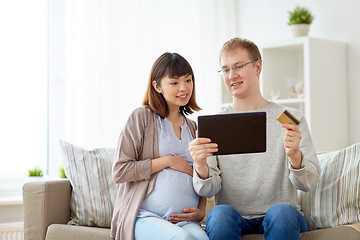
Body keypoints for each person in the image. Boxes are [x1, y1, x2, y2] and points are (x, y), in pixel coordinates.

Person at [189, 38, 321, 240]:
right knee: (218, 214)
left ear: (258, 67)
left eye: (238, 66)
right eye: (225, 70)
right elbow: (208, 190)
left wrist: (295, 156)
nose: (231, 76)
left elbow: (308, 183)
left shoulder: (289, 118)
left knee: (282, 212)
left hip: (282, 217)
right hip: (234, 217)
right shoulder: (215, 124)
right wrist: (200, 166)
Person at [110, 52, 209, 240]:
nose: (184, 88)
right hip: (145, 217)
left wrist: (201, 210)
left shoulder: (193, 127)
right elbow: (120, 171)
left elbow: (201, 173)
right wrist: (168, 161)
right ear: (157, 86)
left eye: (188, 80)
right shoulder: (141, 118)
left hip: (184, 221)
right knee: (183, 239)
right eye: (174, 82)